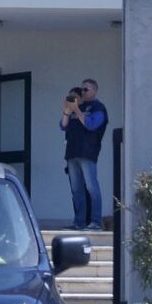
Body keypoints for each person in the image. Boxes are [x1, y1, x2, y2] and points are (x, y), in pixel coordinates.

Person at [60, 78, 109, 230]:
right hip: (72, 153)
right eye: (81, 89)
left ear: (94, 90)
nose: (82, 92)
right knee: (76, 189)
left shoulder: (98, 108)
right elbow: (63, 126)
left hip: (88, 153)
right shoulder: (77, 108)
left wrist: (77, 111)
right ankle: (79, 221)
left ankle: (95, 221)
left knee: (91, 187)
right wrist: (67, 111)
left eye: (86, 89)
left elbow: (91, 125)